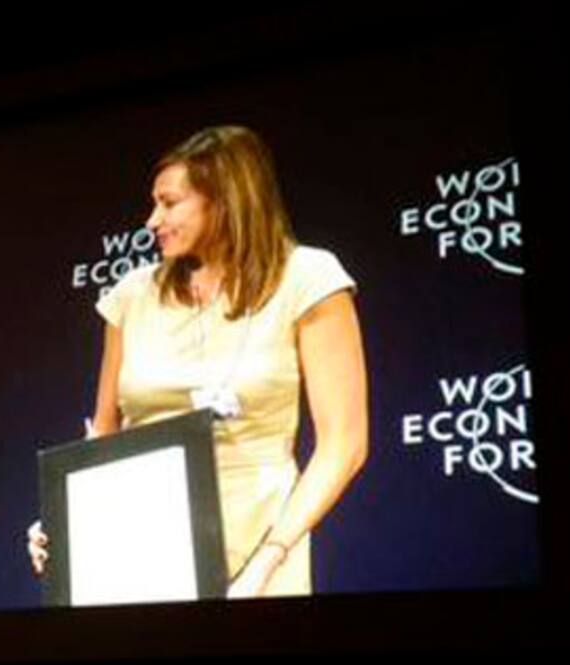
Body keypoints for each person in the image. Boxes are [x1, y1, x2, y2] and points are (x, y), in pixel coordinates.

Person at [28, 126, 368, 598]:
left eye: (169, 203)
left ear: (225, 199)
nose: (152, 220)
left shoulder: (308, 279)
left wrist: (270, 559)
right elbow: (103, 435)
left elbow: (343, 444)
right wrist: (64, 523)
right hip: (138, 553)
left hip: (260, 554)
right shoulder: (132, 295)